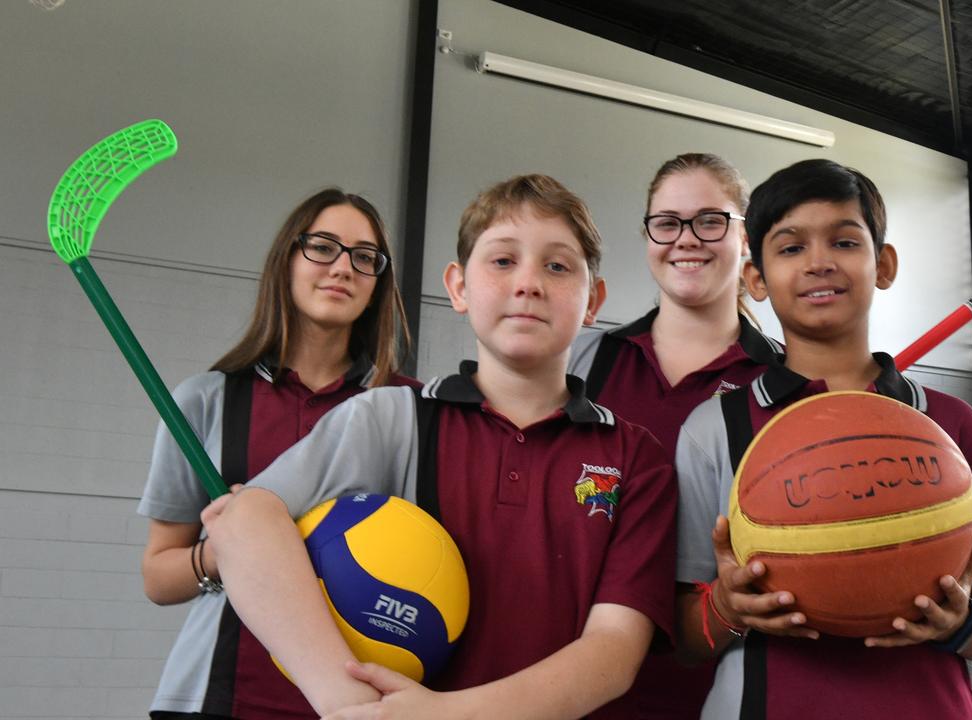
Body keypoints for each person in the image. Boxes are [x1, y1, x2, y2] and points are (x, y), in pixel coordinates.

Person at [201, 174, 678, 719]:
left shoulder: (636, 458)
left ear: (593, 299)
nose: (529, 283)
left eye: (558, 266)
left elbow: (614, 654)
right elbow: (243, 523)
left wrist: (441, 716)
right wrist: (347, 703)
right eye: (502, 262)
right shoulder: (389, 418)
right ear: (457, 287)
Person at [673, 159, 972, 719]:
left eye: (843, 241)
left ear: (882, 264)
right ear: (755, 279)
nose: (818, 262)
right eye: (790, 248)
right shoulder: (714, 429)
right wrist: (724, 606)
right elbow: (684, 638)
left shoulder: (952, 424)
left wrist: (964, 624)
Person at [138, 188, 418, 719]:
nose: (343, 267)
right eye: (323, 247)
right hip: (218, 695)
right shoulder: (204, 400)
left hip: (358, 698)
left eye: (365, 257)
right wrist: (235, 547)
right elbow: (157, 576)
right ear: (287, 260)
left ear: (378, 284)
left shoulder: (407, 408)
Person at [569, 153, 779, 719]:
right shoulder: (586, 364)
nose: (686, 240)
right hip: (581, 688)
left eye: (711, 220)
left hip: (726, 693)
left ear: (746, 238)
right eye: (667, 222)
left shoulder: (786, 386)